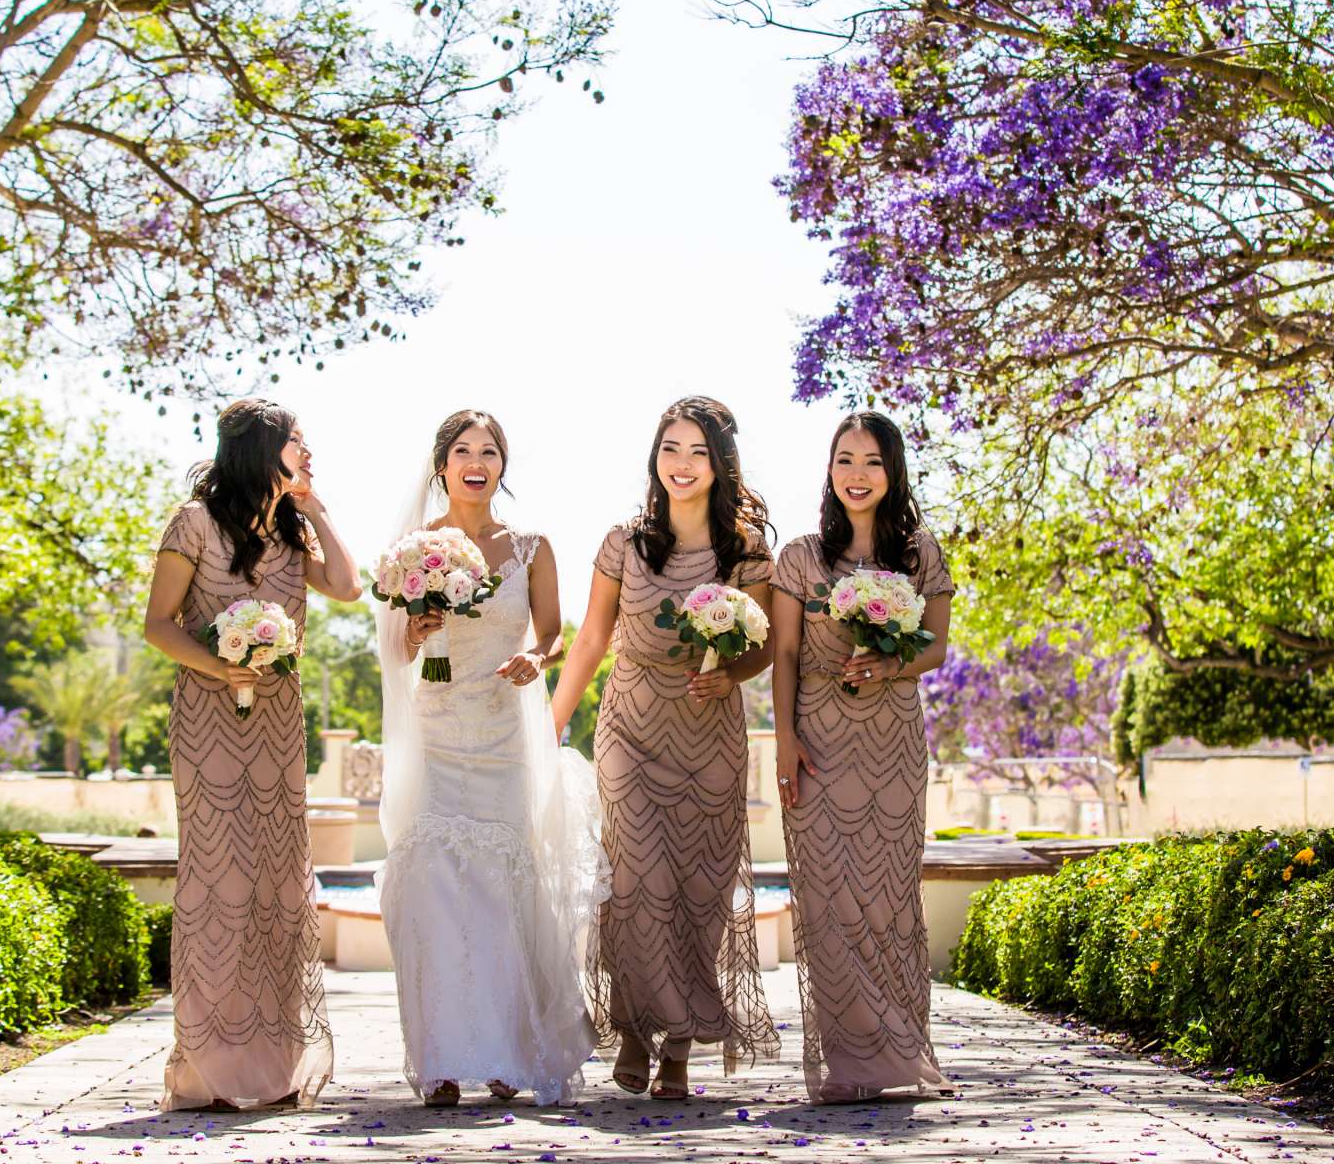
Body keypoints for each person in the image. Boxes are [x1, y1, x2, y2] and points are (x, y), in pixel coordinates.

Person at [549, 395, 780, 1100]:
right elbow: (591, 639)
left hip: (710, 736)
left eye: (697, 452)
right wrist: (551, 722)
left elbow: (761, 648)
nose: (681, 464)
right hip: (631, 728)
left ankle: (678, 1047)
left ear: (720, 465)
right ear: (656, 457)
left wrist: (729, 673)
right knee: (637, 881)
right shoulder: (625, 541)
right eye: (670, 449)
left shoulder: (746, 550)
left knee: (698, 892)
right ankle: (633, 1027)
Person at [375, 409, 604, 1106]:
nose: (478, 461)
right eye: (463, 450)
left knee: (506, 890)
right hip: (437, 730)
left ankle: (509, 1051)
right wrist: (415, 632)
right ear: (441, 463)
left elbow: (554, 632)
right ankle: (442, 1060)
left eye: (491, 451)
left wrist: (536, 658)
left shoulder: (532, 545)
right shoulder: (413, 549)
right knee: (434, 890)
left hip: (505, 734)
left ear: (502, 465)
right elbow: (395, 651)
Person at [142, 399, 360, 1111]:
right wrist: (218, 668)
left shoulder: (293, 530)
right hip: (209, 723)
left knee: (275, 881)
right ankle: (206, 1068)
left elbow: (349, 588)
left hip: (277, 724)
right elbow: (157, 624)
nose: (308, 451)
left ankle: (274, 1060)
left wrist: (316, 506)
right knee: (217, 881)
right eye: (298, 443)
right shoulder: (194, 522)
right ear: (262, 450)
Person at [770, 411, 953, 1102]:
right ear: (829, 468)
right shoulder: (801, 556)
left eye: (872, 461)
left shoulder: (919, 553)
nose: (857, 474)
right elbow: (784, 654)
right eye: (845, 459)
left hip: (893, 744)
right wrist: (785, 740)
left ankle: (900, 1056)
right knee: (826, 900)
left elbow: (936, 647)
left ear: (893, 471)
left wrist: (889, 666)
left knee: (887, 899)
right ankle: (849, 1065)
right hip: (817, 737)